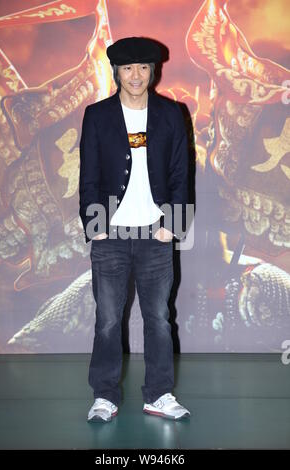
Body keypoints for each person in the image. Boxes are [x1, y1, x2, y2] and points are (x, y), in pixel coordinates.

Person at [79, 36, 191, 422]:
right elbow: (88, 174)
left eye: (144, 67)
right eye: (128, 68)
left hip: (155, 235)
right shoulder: (97, 115)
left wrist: (171, 227)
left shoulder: (172, 113)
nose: (136, 75)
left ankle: (159, 395)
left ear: (154, 71)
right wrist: (95, 227)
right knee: (108, 320)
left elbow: (180, 173)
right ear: (117, 72)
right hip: (110, 235)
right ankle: (105, 396)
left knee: (159, 318)